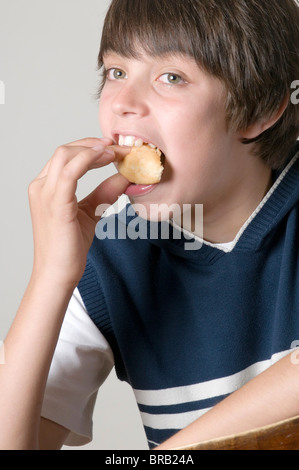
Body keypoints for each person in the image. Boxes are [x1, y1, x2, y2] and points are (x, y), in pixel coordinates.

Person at [1, 0, 299, 450]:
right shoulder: (109, 259)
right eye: (115, 72)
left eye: (171, 77)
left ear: (262, 108)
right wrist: (51, 277)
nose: (121, 103)